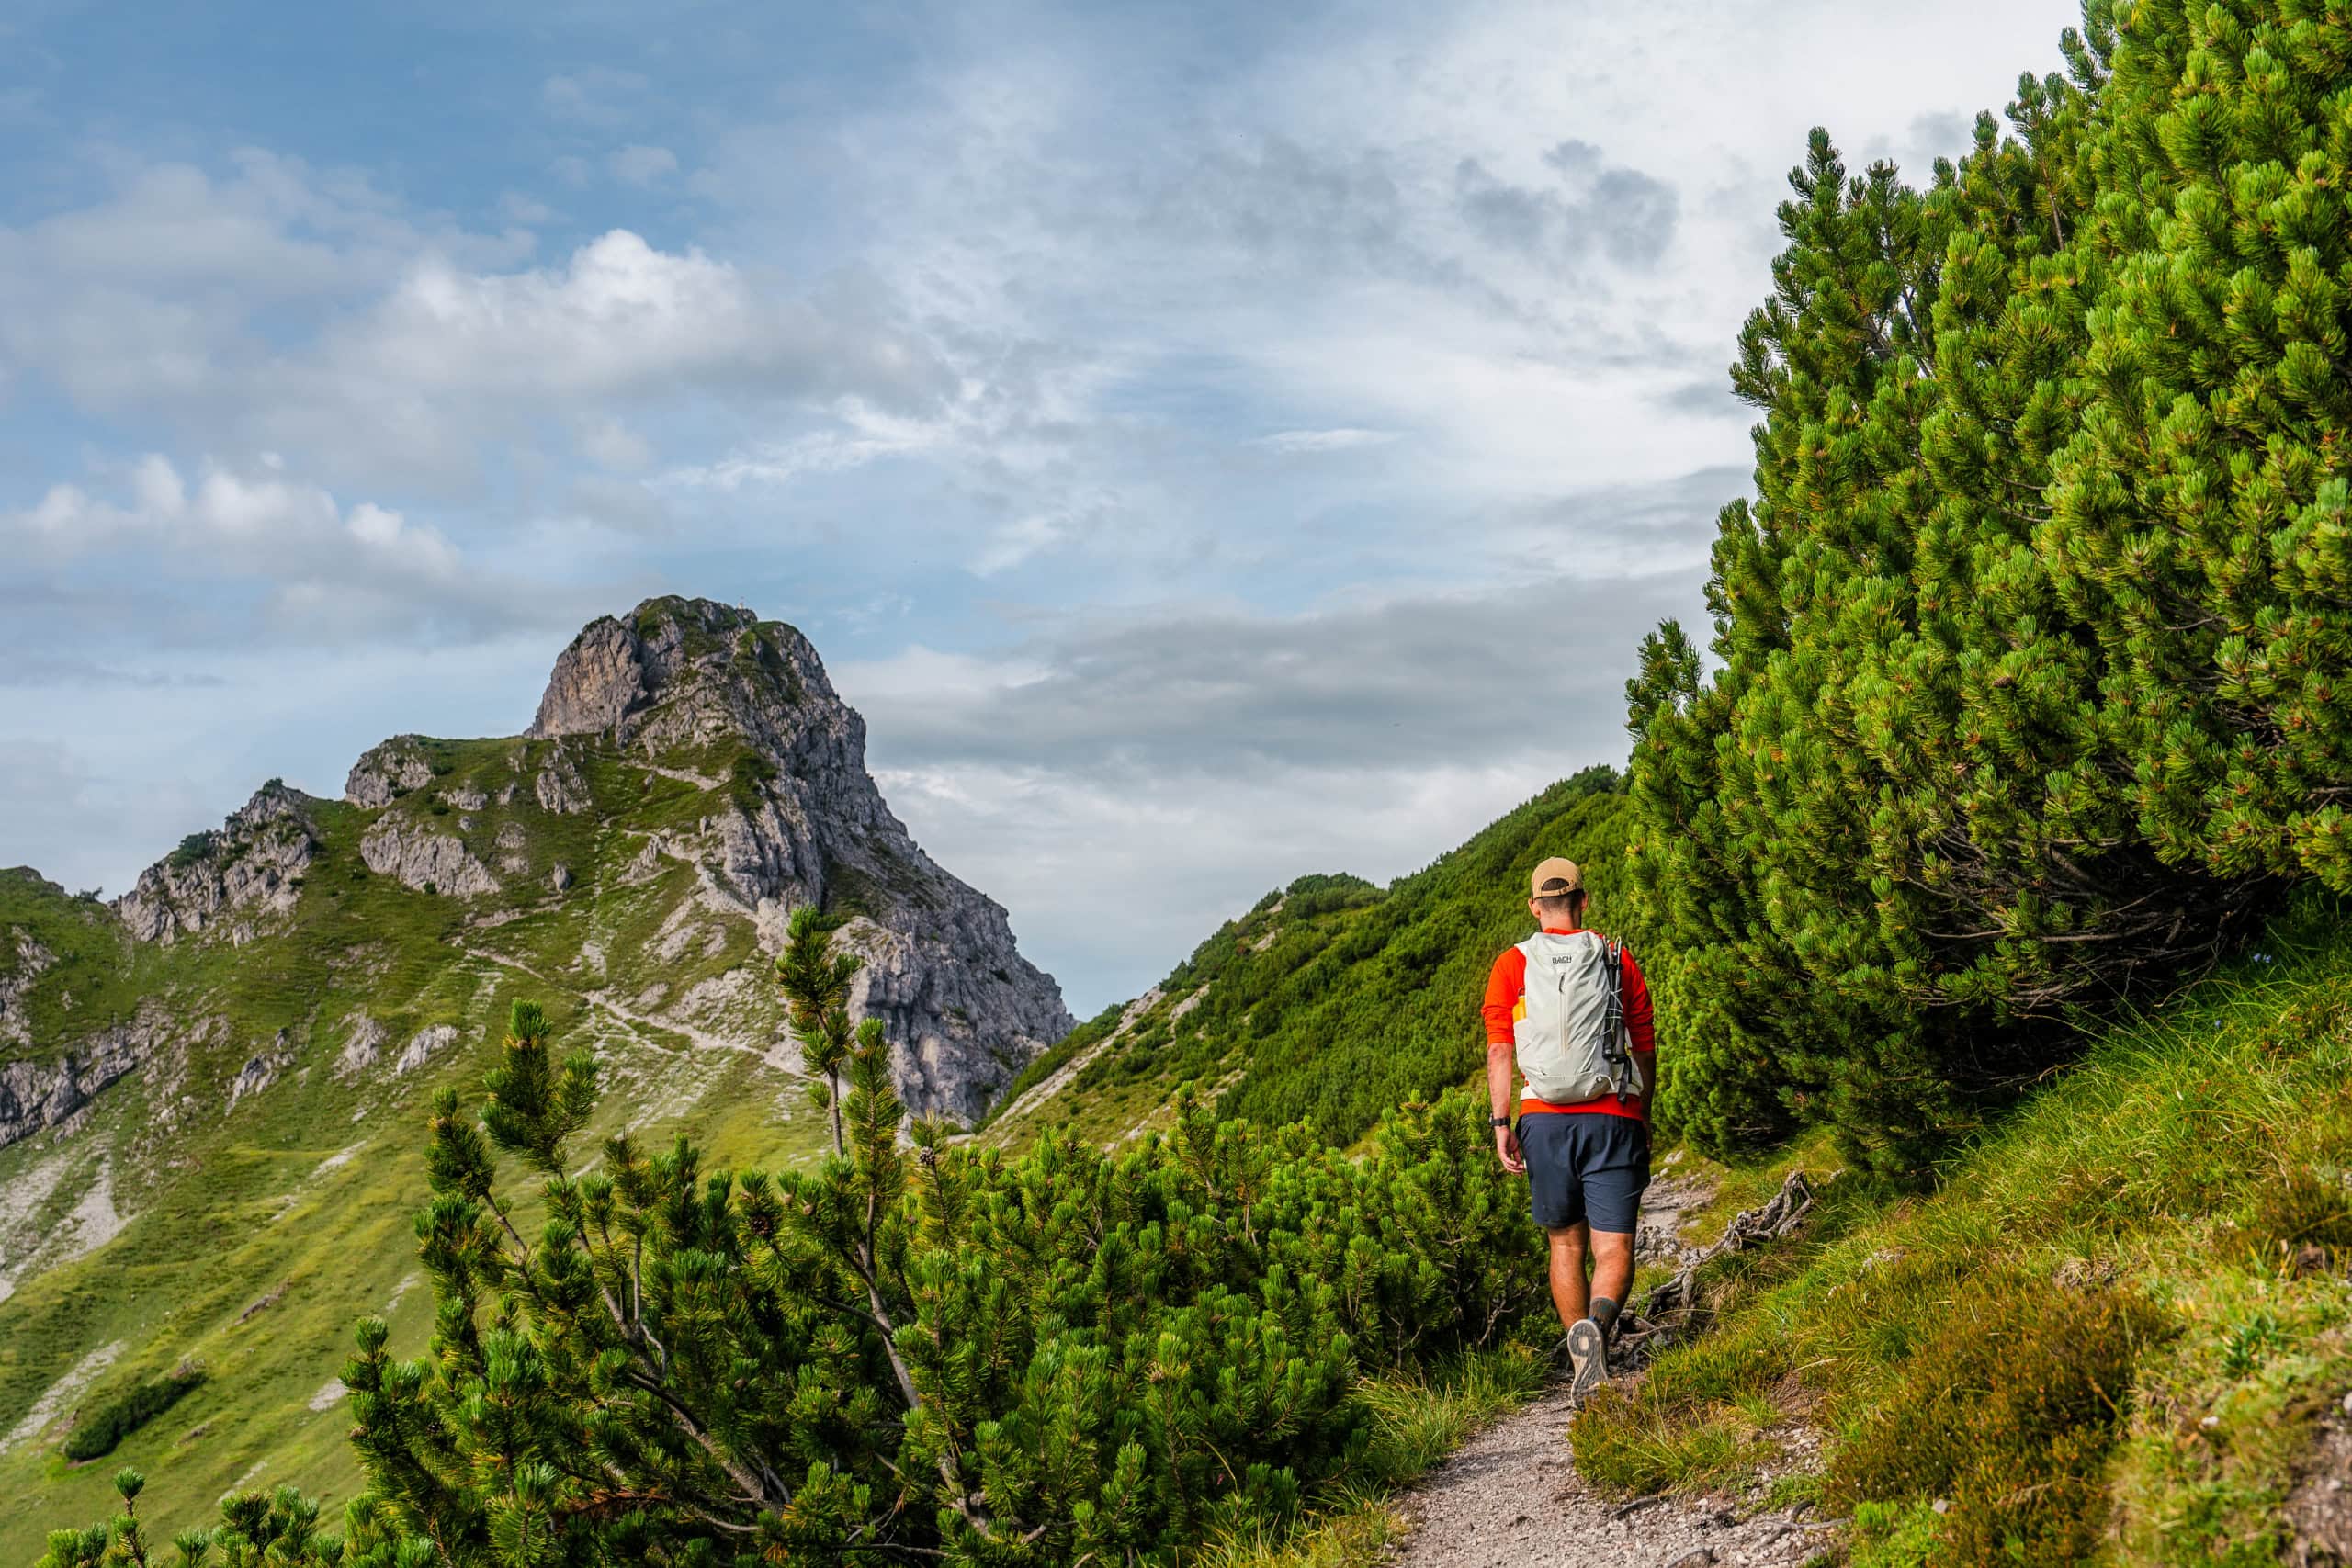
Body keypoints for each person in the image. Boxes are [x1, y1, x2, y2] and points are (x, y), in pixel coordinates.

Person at [1483, 855, 1655, 1401]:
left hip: (1542, 1120)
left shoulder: (1511, 964)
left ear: (1535, 907)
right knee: (1614, 1248)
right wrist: (1642, 1112)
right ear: (1583, 902)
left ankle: (1581, 1355)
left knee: (1565, 1245)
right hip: (1612, 1115)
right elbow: (1644, 1041)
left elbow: (1501, 1047)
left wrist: (1501, 1122)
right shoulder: (1615, 959)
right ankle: (1596, 1333)